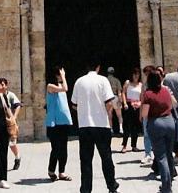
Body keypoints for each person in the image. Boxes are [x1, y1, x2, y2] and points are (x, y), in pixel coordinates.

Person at [70, 59, 119, 193]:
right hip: (101, 125)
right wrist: (104, 113)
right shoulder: (103, 80)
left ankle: (86, 189)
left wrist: (84, 110)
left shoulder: (79, 82)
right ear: (98, 67)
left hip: (85, 126)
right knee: (106, 157)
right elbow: (109, 102)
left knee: (86, 160)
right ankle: (111, 186)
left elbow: (74, 104)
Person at [139, 70, 177, 193]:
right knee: (169, 153)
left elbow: (145, 114)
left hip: (156, 124)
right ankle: (169, 181)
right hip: (170, 122)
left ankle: (166, 187)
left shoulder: (148, 94)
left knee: (161, 157)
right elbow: (174, 104)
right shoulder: (166, 91)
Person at [45, 66, 73, 181]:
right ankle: (51, 170)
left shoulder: (60, 85)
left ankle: (62, 171)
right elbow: (66, 88)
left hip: (63, 121)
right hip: (53, 122)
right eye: (59, 74)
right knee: (56, 148)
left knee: (64, 148)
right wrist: (64, 76)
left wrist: (63, 78)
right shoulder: (50, 86)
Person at [1, 78, 22, 170]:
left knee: (12, 143)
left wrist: (14, 117)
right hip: (1, 123)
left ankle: (17, 157)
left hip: (10, 123)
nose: (1, 86)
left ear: (6, 85)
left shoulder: (11, 95)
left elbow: (18, 105)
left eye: (3, 84)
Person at [120, 67, 142, 152]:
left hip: (137, 105)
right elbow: (123, 92)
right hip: (129, 105)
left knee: (135, 127)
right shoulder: (127, 83)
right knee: (127, 126)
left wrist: (140, 103)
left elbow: (141, 96)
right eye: (134, 74)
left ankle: (134, 145)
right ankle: (124, 145)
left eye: (137, 74)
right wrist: (124, 103)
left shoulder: (140, 85)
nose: (136, 76)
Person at [139, 65, 155, 166]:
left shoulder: (158, 85)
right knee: (146, 134)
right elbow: (142, 99)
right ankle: (148, 153)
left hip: (155, 112)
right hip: (146, 112)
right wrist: (141, 113)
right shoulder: (144, 85)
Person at [106, 67, 123, 136]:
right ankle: (121, 129)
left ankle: (111, 129)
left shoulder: (105, 80)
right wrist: (120, 100)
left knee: (109, 115)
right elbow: (119, 92)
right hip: (115, 97)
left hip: (108, 98)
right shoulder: (117, 80)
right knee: (119, 115)